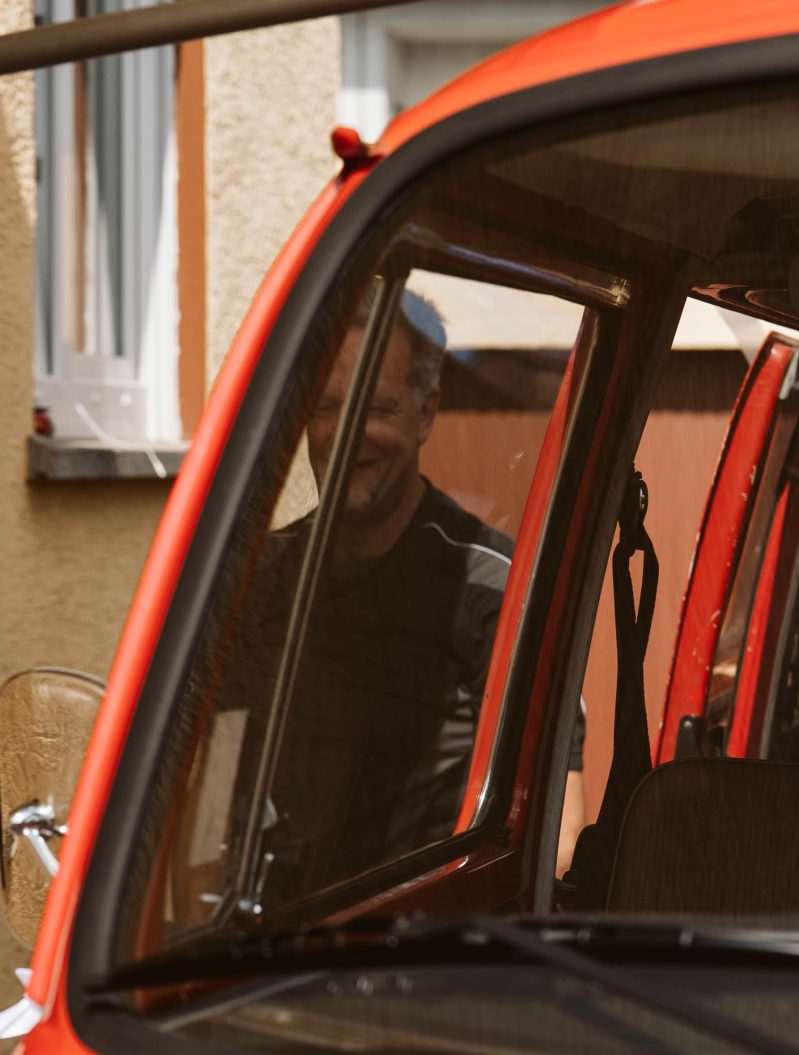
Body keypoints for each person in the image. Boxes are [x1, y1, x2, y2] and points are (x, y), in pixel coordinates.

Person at [252, 292, 589, 893]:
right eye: (326, 406)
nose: (347, 433)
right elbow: (210, 799)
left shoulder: (495, 588)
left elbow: (557, 842)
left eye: (377, 408)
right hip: (279, 933)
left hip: (428, 930)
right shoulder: (262, 583)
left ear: (426, 412)